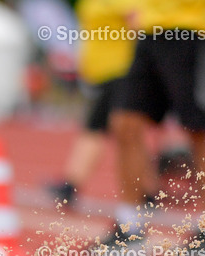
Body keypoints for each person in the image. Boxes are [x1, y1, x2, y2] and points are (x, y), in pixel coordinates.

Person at [98, 0, 205, 255]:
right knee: (125, 124)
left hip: (190, 35)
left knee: (199, 130)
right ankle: (131, 226)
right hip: (149, 35)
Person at [49, 0, 145, 210]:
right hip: (103, 74)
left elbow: (139, 24)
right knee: (123, 132)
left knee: (98, 127)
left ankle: (71, 184)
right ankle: (148, 188)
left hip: (121, 71)